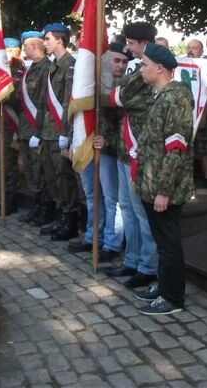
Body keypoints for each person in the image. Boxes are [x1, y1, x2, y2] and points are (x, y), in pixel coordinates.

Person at [132, 43, 194, 316]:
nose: (140, 69)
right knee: (161, 241)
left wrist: (164, 191)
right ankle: (164, 284)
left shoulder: (174, 99)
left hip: (164, 186)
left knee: (169, 243)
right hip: (152, 181)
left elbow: (175, 149)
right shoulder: (162, 95)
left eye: (144, 64)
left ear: (159, 68)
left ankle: (173, 297)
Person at [104, 21, 159, 289]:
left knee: (141, 212)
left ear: (142, 43)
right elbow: (119, 94)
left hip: (140, 149)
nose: (127, 48)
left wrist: (117, 96)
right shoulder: (136, 68)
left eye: (131, 43)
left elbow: (119, 97)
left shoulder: (150, 71)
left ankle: (148, 266)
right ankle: (133, 260)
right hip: (126, 148)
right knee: (127, 208)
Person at [69, 41, 127, 262]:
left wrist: (109, 141)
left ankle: (112, 243)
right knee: (92, 195)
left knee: (112, 198)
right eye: (116, 60)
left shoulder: (124, 88)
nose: (120, 66)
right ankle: (94, 236)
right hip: (87, 143)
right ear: (105, 60)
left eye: (124, 61)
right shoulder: (89, 82)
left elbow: (126, 125)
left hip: (110, 150)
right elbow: (76, 109)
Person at [38, 23, 79, 241]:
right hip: (48, 130)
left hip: (60, 132)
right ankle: (61, 216)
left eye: (48, 39)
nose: (45, 43)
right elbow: (45, 101)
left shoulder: (70, 65)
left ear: (60, 40)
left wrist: (65, 132)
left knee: (65, 177)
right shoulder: (53, 66)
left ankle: (70, 221)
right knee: (52, 176)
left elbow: (67, 101)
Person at [17, 31, 53, 224]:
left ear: (34, 47)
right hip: (25, 128)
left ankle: (45, 209)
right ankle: (36, 206)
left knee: (41, 171)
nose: (24, 50)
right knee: (30, 170)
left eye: (26, 47)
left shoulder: (46, 68)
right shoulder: (29, 68)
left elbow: (43, 103)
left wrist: (38, 131)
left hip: (37, 128)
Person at [0, 38, 24, 216]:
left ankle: (11, 200)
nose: (6, 55)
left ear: (16, 51)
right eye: (4, 51)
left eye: (9, 51)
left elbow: (16, 97)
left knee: (9, 163)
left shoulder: (19, 70)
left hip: (10, 124)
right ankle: (2, 196)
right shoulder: (0, 71)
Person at [187, 38, 207, 188]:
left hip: (200, 114)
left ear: (201, 51)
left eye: (194, 48)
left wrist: (204, 116)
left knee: (204, 148)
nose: (190, 50)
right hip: (184, 116)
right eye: (189, 47)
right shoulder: (180, 66)